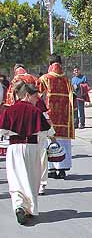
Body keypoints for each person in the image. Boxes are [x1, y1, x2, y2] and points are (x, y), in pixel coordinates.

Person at [0, 82, 55, 224]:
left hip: (14, 148)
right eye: (35, 97)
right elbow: (48, 131)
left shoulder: (10, 110)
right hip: (31, 148)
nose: (37, 100)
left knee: (15, 179)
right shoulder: (35, 111)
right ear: (27, 95)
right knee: (31, 178)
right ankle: (29, 209)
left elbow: (2, 130)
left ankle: (19, 205)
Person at [38, 54, 74, 179]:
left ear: (50, 65)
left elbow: (37, 96)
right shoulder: (67, 80)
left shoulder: (44, 79)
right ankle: (62, 169)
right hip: (64, 117)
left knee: (50, 140)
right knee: (63, 142)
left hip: (49, 117)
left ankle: (52, 169)